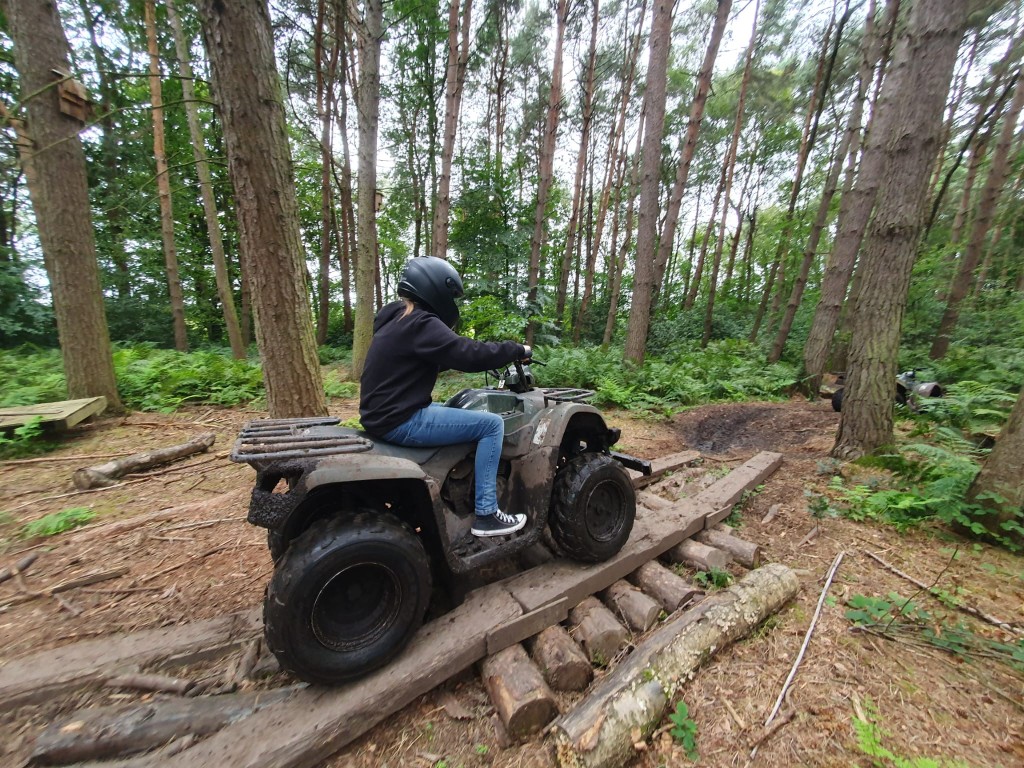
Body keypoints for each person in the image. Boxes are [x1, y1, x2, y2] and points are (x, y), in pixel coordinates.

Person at [359, 256, 531, 537]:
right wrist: (516, 349)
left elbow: (434, 358)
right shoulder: (421, 322)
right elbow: (468, 353)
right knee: (492, 425)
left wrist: (457, 358)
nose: (453, 303)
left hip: (382, 415)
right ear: (435, 288)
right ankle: (487, 514)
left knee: (454, 405)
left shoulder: (396, 319)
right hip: (400, 419)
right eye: (452, 295)